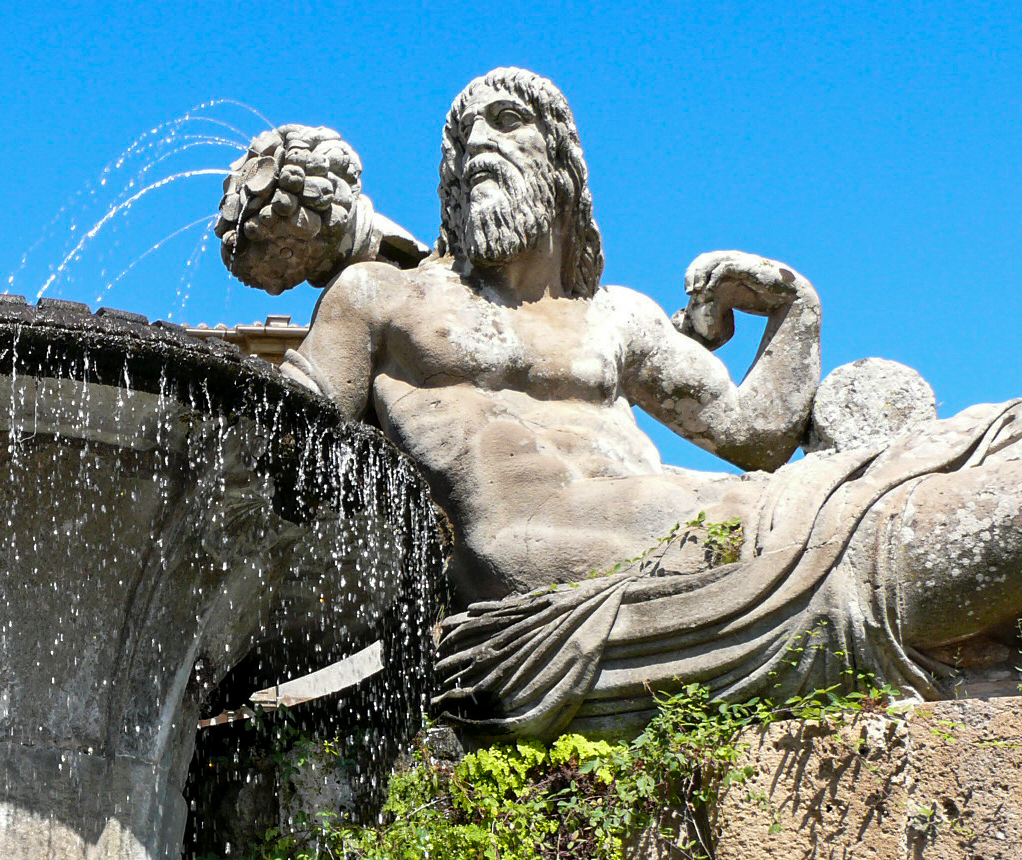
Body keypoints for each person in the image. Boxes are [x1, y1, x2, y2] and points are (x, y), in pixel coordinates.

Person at [242, 67, 1022, 738]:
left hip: (721, 519)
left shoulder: (620, 316)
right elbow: (280, 432)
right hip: (568, 581)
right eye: (457, 139)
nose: (475, 141)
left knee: (971, 431)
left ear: (561, 164)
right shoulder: (383, 295)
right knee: (933, 532)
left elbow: (753, 435)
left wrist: (795, 310)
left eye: (504, 120)